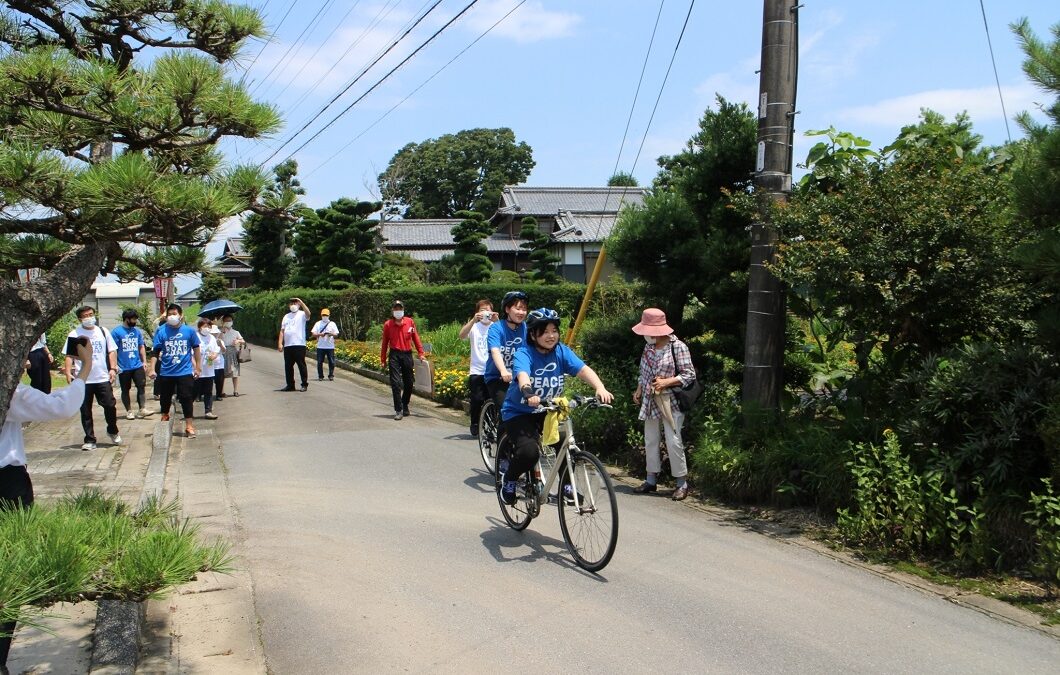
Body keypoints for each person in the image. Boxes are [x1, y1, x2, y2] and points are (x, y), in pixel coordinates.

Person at [0, 338, 94, 675]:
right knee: (8, 572)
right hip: (6, 484)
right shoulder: (8, 390)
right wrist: (84, 367)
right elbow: (59, 407)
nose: (25, 363)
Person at [498, 308, 613, 505]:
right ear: (533, 334)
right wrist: (528, 392)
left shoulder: (561, 352)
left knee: (564, 444)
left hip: (549, 409)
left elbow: (583, 369)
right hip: (520, 412)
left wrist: (600, 387)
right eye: (545, 331)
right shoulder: (524, 353)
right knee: (529, 452)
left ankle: (567, 486)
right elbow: (523, 375)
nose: (551, 336)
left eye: (554, 330)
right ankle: (509, 479)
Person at [631, 308, 697, 501]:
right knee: (650, 439)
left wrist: (666, 382)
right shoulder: (649, 347)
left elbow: (689, 374)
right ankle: (651, 479)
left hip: (671, 401)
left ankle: (681, 483)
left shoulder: (678, 347)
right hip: (650, 400)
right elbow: (644, 372)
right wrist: (639, 389)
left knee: (673, 441)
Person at [63, 306, 120, 451]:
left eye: (91, 314)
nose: (89, 318)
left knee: (109, 405)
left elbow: (111, 351)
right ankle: (89, 439)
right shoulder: (75, 334)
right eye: (85, 316)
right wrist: (68, 372)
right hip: (83, 379)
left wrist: (113, 369)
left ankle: (112, 430)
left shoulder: (103, 331)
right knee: (85, 410)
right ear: (80, 319)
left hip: (102, 377)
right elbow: (69, 355)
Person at [149, 303, 201, 438]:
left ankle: (189, 426)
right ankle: (164, 417)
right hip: (166, 372)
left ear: (181, 315)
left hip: (184, 371)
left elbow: (196, 349)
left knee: (186, 398)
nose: (172, 316)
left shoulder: (189, 331)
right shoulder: (161, 331)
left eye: (174, 314)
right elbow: (155, 352)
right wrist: (152, 369)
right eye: (169, 314)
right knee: (164, 398)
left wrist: (198, 366)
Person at [379, 300, 427, 420]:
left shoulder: (410, 322)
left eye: (400, 309)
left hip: (407, 354)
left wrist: (421, 353)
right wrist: (383, 358)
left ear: (403, 310)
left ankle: (405, 404)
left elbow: (416, 338)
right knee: (395, 383)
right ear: (393, 311)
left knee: (409, 382)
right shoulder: (388, 324)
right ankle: (398, 410)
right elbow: (385, 342)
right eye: (396, 309)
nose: (398, 311)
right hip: (394, 354)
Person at [484, 291, 529, 413]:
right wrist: (503, 370)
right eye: (518, 308)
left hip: (520, 377)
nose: (521, 312)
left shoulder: (526, 328)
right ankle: (503, 432)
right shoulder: (497, 327)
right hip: (497, 378)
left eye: (524, 309)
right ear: (507, 309)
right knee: (507, 410)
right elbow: (495, 351)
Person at [458, 298, 497, 437]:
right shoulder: (474, 326)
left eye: (488, 309)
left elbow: (507, 336)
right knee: (477, 399)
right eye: (482, 310)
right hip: (477, 370)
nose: (485, 312)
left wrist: (496, 320)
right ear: (477, 313)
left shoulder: (495, 326)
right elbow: (461, 335)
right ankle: (475, 423)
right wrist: (473, 320)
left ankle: (490, 428)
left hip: (493, 370)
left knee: (492, 400)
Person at [111, 308, 154, 420]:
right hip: (123, 366)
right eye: (133, 319)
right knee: (125, 389)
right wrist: (114, 365)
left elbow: (141, 347)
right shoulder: (116, 332)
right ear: (127, 319)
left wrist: (144, 361)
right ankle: (129, 411)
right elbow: (113, 350)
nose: (135, 321)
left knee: (141, 386)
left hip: (137, 365)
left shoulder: (136, 332)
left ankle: (142, 409)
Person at [278, 297, 311, 392]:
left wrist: (301, 302)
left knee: (301, 365)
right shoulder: (286, 316)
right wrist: (280, 343)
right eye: (291, 303)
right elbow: (282, 331)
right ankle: (290, 385)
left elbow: (309, 314)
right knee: (288, 366)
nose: (293, 305)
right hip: (288, 345)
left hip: (299, 344)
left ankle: (304, 384)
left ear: (298, 304)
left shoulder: (302, 314)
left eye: (295, 303)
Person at [194, 320, 221, 420]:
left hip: (209, 369)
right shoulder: (195, 336)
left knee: (208, 392)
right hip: (197, 370)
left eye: (209, 326)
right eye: (205, 326)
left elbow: (216, 350)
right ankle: (188, 411)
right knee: (194, 391)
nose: (207, 328)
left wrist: (214, 355)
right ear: (200, 327)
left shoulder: (212, 338)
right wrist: (196, 366)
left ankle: (208, 411)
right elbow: (190, 353)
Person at [218, 314, 245, 397]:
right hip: (223, 353)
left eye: (230, 320)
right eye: (226, 321)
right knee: (223, 373)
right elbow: (217, 340)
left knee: (235, 372)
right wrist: (222, 332)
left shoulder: (236, 332)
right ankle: (221, 391)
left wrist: (238, 341)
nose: (228, 322)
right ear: (223, 322)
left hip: (233, 352)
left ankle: (235, 390)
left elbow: (243, 341)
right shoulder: (221, 332)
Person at [311, 308, 340, 381]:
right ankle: (320, 376)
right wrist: (320, 334)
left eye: (326, 315)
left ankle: (331, 375)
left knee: (331, 362)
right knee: (320, 362)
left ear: (329, 315)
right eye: (323, 315)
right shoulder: (318, 323)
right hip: (320, 346)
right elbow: (313, 333)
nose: (324, 316)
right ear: (321, 315)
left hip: (330, 346)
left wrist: (331, 334)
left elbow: (336, 334)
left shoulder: (332, 324)